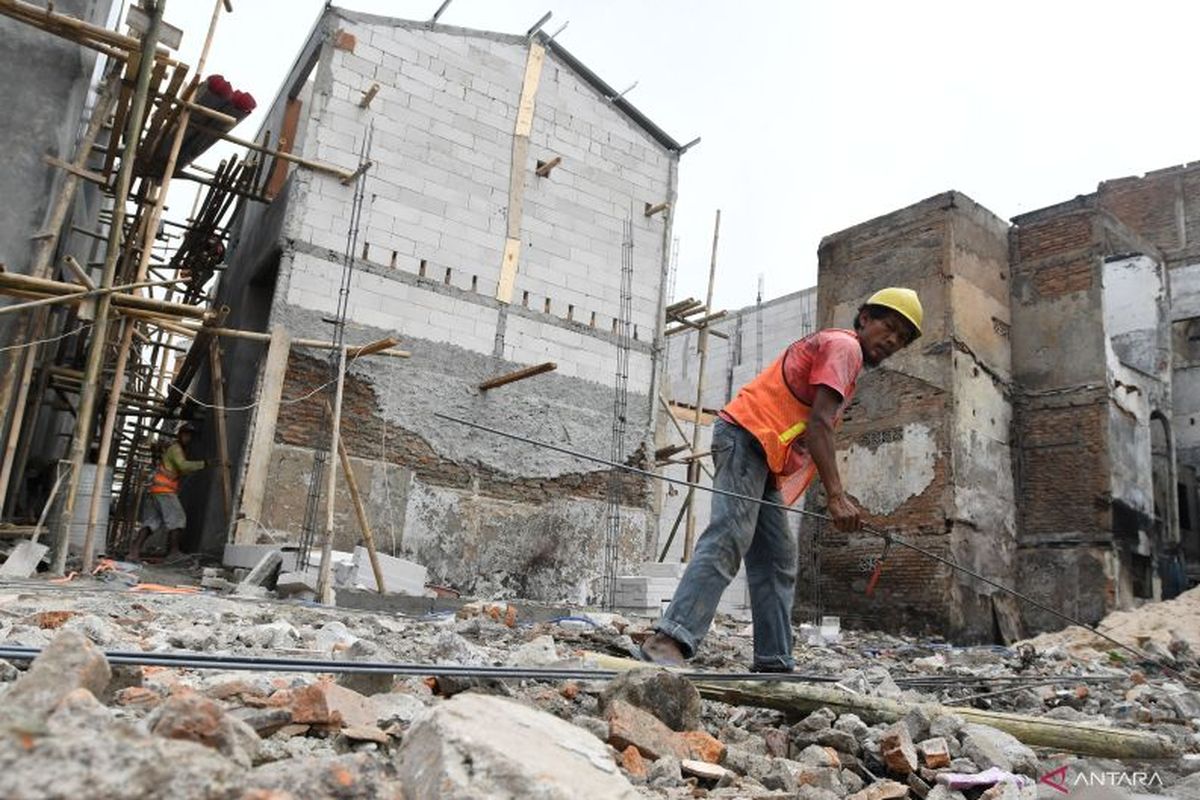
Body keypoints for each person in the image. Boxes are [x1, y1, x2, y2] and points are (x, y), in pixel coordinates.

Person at [641, 288, 924, 670]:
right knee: (729, 536)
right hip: (746, 434)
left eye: (902, 338)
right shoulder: (845, 347)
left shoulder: (846, 362)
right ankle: (669, 638)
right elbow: (820, 424)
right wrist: (837, 497)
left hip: (764, 452)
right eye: (888, 327)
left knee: (776, 559)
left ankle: (774, 661)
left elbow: (809, 429)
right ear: (864, 320)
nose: (892, 340)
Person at [129, 421, 208, 562]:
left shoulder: (175, 449)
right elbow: (183, 466)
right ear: (181, 435)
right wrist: (204, 463)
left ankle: (134, 552)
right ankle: (173, 552)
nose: (188, 438)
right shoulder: (176, 449)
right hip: (164, 491)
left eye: (190, 436)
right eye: (186, 435)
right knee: (178, 518)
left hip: (156, 490)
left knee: (151, 522)